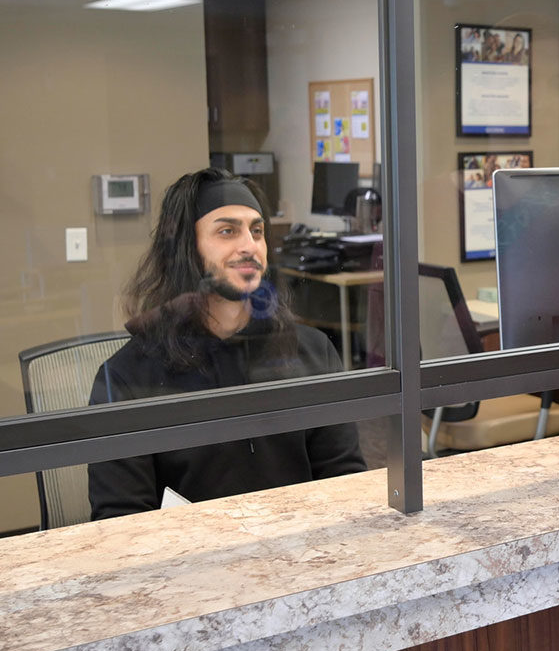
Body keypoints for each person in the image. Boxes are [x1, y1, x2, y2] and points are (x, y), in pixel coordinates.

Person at [88, 168, 366, 519]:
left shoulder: (310, 351)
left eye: (257, 231)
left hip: (300, 555)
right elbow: (120, 521)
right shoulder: (127, 378)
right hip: (189, 564)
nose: (249, 245)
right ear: (186, 247)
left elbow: (345, 480)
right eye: (227, 231)